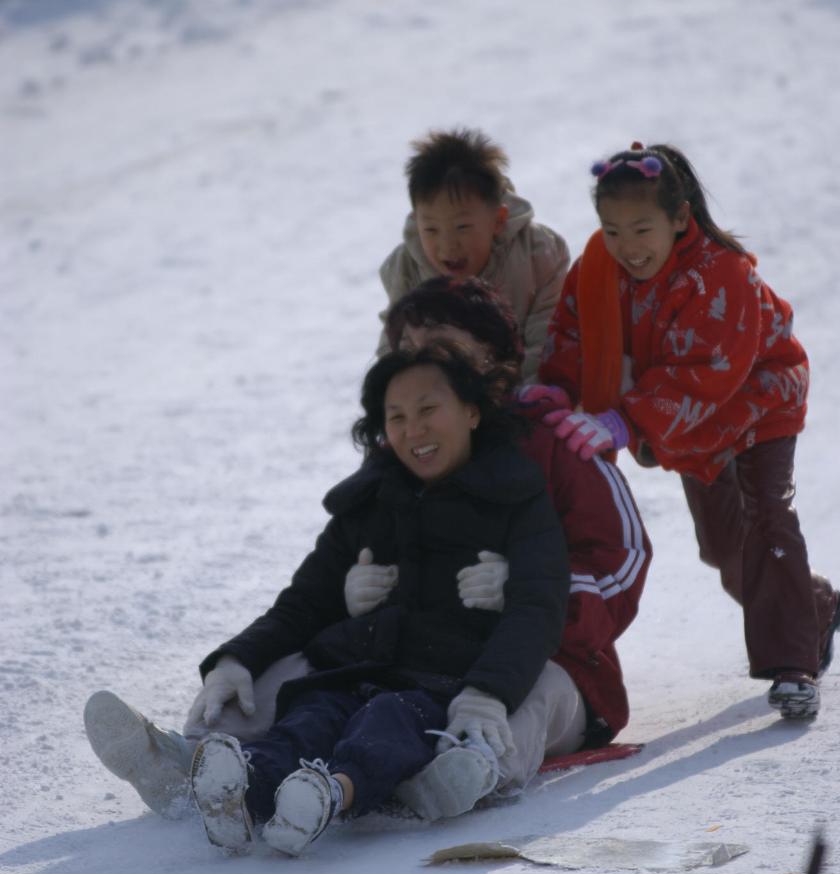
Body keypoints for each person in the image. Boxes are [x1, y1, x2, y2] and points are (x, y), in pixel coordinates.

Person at [84, 277, 651, 824]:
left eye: (444, 347)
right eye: (409, 349)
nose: (422, 364)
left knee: (519, 696)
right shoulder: (403, 453)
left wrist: (531, 588)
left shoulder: (552, 446)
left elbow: (623, 558)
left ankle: (466, 772)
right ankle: (195, 762)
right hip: (410, 659)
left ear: (492, 361)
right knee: (289, 679)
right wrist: (244, 654)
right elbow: (319, 583)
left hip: (552, 656)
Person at [538, 141, 840, 721]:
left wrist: (625, 420)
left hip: (759, 402)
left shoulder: (718, 274)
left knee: (768, 520)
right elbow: (574, 331)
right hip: (691, 429)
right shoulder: (599, 266)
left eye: (642, 228)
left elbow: (709, 371)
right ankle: (815, 603)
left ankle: (793, 667)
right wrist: (557, 388)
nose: (628, 247)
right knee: (725, 548)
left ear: (680, 219)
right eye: (613, 229)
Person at [376, 128, 570, 380]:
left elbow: (547, 339)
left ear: (498, 220)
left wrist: (519, 403)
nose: (448, 246)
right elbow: (394, 349)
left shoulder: (538, 253)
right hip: (443, 402)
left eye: (462, 227)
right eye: (431, 229)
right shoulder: (407, 267)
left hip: (526, 393)